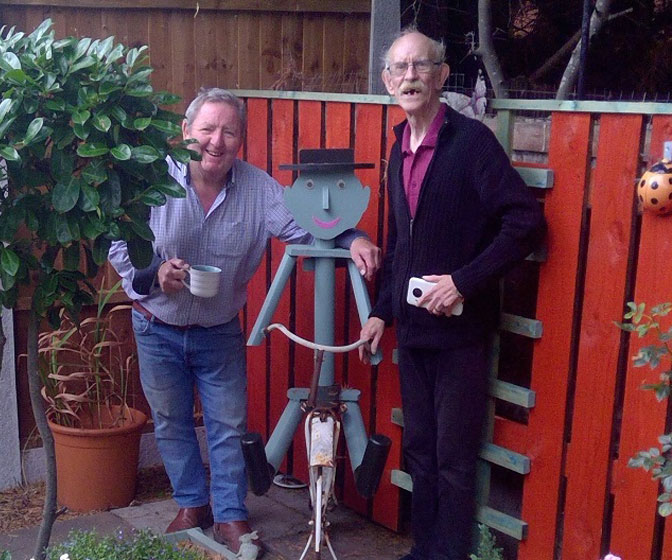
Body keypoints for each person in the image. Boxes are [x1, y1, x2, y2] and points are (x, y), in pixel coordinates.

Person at [108, 88, 380, 557]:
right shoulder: (151, 181)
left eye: (229, 131)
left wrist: (353, 236)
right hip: (156, 325)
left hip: (218, 330)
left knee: (228, 424)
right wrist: (155, 276)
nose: (217, 141)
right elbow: (119, 244)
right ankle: (193, 504)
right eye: (208, 129)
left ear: (241, 139)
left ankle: (231, 514)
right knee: (171, 422)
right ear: (186, 132)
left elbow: (309, 227)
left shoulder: (260, 191)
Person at [358, 29, 545, 560]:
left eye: (422, 66)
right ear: (387, 80)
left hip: (461, 332)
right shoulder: (399, 149)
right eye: (399, 68)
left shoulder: (472, 144)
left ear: (442, 77)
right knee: (419, 449)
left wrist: (464, 279)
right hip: (415, 332)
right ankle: (426, 551)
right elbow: (399, 244)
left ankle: (449, 554)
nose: (410, 76)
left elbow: (525, 222)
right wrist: (380, 312)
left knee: (453, 458)